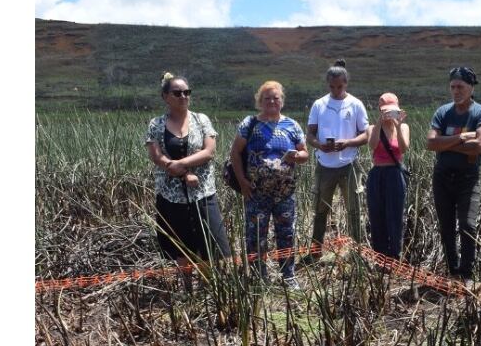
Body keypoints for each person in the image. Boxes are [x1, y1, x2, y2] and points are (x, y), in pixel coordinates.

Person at [143, 72, 232, 287]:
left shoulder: (202, 120)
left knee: (212, 241)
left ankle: (209, 285)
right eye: (177, 93)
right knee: (181, 243)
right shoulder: (156, 124)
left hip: (202, 192)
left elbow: (209, 152)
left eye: (187, 92)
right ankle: (187, 286)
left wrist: (181, 165)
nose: (183, 96)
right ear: (165, 97)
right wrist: (176, 169)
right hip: (171, 196)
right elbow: (156, 156)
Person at [229, 81, 310, 288]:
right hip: (256, 193)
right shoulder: (249, 124)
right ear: (260, 102)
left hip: (285, 193)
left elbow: (305, 154)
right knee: (255, 236)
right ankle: (258, 277)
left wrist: (297, 156)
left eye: (276, 98)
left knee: (287, 234)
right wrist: (242, 182)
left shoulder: (292, 125)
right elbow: (235, 153)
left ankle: (288, 275)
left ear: (281, 101)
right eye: (267, 98)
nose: (272, 101)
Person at [426, 66, 481, 284]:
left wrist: (446, 144)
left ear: (471, 88)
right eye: (453, 87)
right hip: (443, 176)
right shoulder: (443, 112)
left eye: (460, 87)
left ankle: (467, 273)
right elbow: (430, 143)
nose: (456, 91)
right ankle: (452, 271)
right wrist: (464, 137)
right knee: (446, 225)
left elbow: (480, 145)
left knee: (467, 225)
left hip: (468, 178)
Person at [305, 59, 369, 259]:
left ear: (346, 83)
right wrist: (319, 145)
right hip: (324, 165)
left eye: (340, 86)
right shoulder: (319, 104)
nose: (336, 90)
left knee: (354, 210)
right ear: (328, 84)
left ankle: (357, 254)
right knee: (320, 210)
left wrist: (348, 142)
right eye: (332, 86)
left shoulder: (356, 104)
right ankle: (315, 253)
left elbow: (366, 135)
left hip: (349, 165)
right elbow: (310, 136)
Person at [365, 92, 411, 260]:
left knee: (395, 215)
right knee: (376, 214)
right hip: (377, 174)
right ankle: (380, 256)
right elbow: (372, 145)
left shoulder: (404, 127)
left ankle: (395, 256)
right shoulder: (372, 128)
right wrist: (379, 123)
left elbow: (404, 148)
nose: (389, 114)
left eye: (392, 111)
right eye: (386, 111)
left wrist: (398, 125)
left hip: (395, 174)